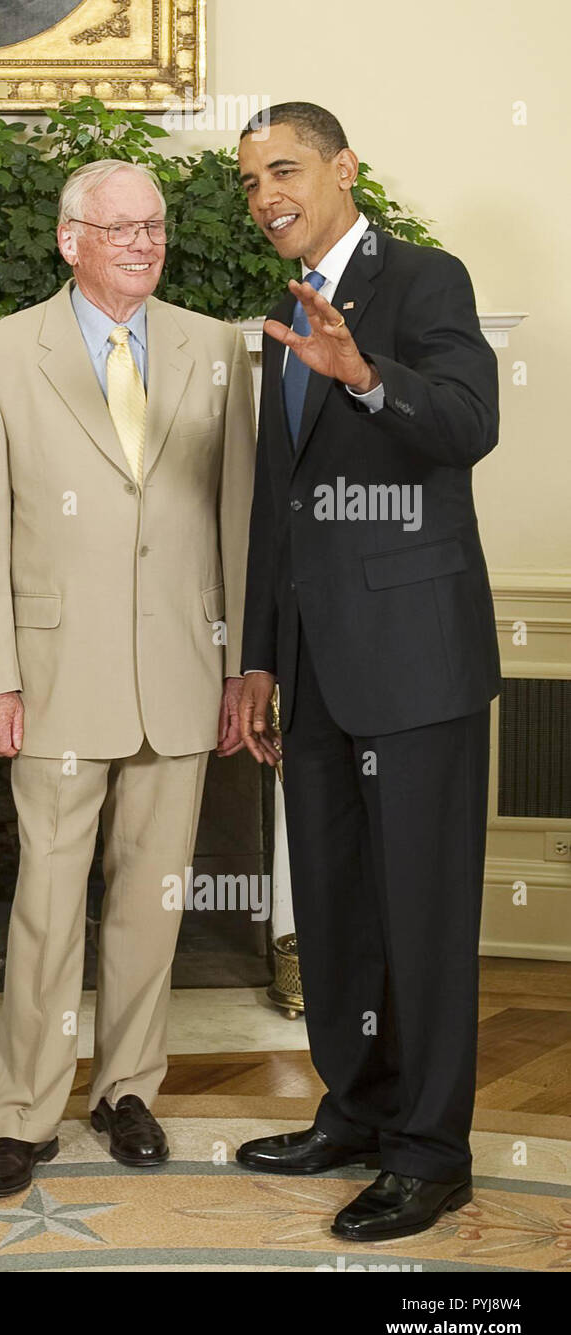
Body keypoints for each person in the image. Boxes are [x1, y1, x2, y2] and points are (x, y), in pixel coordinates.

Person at [0, 158, 257, 1197]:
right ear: (68, 239)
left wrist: (238, 664)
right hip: (48, 678)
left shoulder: (217, 348)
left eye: (153, 227)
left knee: (151, 902)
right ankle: (24, 1114)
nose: (141, 243)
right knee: (44, 902)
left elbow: (240, 523)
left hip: (182, 668)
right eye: (118, 228)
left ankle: (128, 1090)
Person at [234, 103, 500, 1241]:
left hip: (418, 663)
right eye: (249, 183)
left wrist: (364, 375)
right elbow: (274, 510)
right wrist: (254, 659)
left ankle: (432, 1153)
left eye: (283, 171)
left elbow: (467, 421)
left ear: (343, 169)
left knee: (422, 917)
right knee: (338, 910)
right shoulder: (279, 319)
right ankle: (354, 1109)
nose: (265, 197)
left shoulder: (424, 279)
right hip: (314, 669)